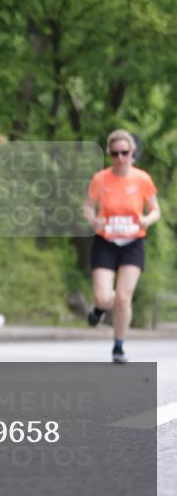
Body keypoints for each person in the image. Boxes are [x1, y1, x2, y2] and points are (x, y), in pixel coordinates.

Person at [82, 129, 161, 363]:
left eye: (124, 153)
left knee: (124, 298)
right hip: (106, 241)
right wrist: (94, 220)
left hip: (133, 242)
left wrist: (147, 219)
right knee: (105, 297)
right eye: (115, 154)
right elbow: (87, 207)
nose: (120, 158)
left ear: (132, 152)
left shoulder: (142, 179)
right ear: (109, 154)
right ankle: (99, 308)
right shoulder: (100, 179)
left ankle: (118, 346)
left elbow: (156, 210)